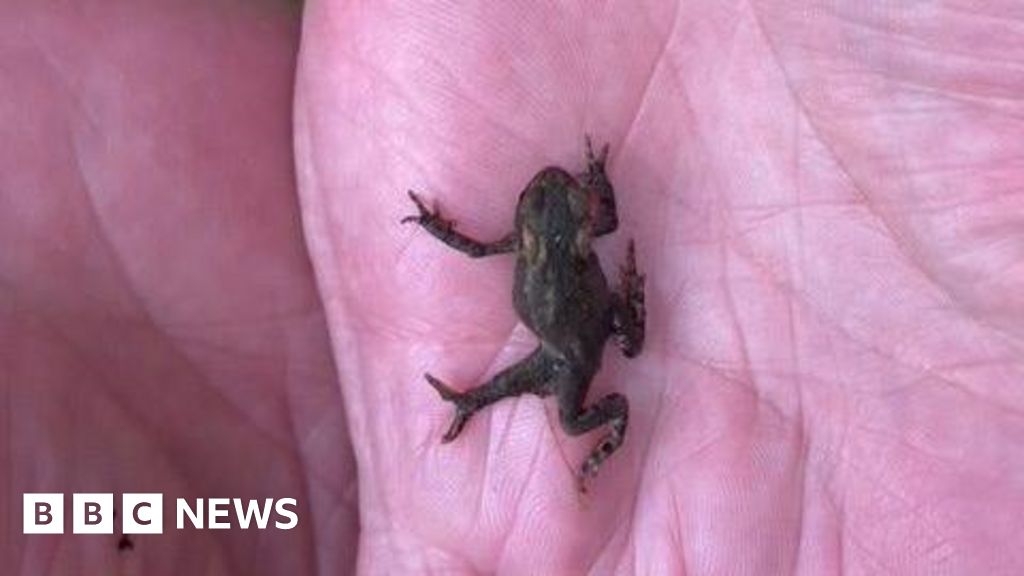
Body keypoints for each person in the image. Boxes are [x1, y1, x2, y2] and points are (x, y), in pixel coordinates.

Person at [4, 1, 1022, 574]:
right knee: (525, 387)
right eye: (554, 207)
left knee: (553, 392)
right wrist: (459, 225)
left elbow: (492, 243)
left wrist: (516, 228)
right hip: (568, 334)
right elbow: (500, 240)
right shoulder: (549, 245)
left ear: (548, 229)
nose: (549, 206)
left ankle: (519, 416)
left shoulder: (547, 248)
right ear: (551, 228)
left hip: (573, 338)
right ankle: (475, 407)